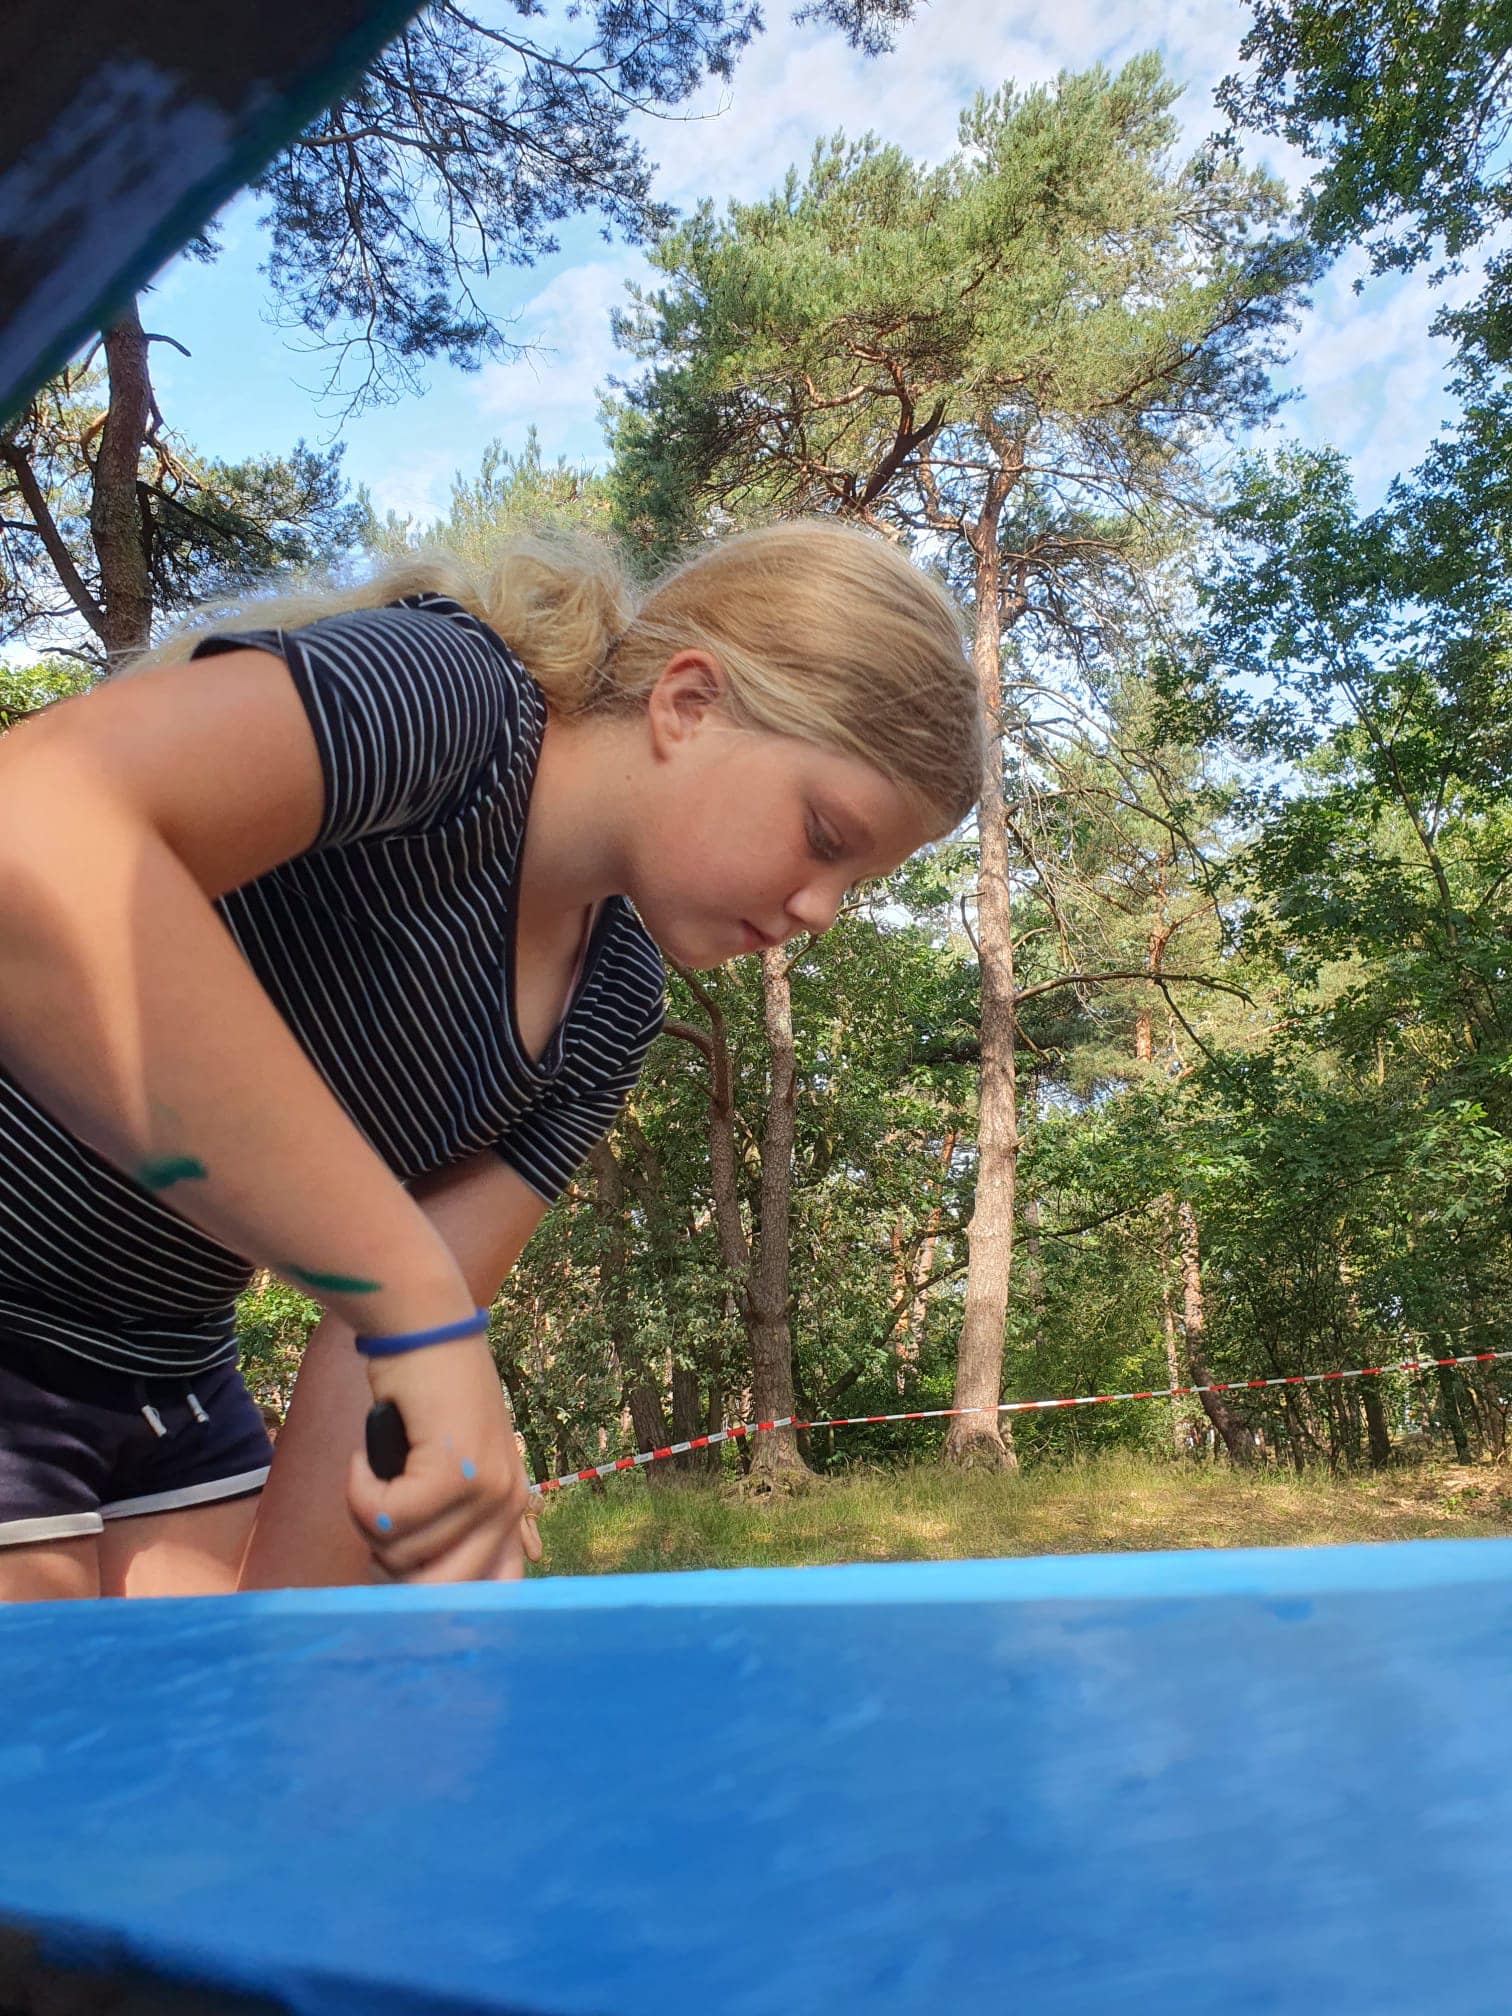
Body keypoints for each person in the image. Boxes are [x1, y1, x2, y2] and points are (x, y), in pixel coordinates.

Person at [0, 521, 983, 1601]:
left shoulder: (612, 1011)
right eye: (826, 837)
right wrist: (420, 1306)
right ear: (690, 703)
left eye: (856, 883)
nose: (821, 911)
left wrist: (327, 1648)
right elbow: (29, 829)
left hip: (165, 1373)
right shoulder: (455, 704)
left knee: (269, 1692)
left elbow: (378, 1347)